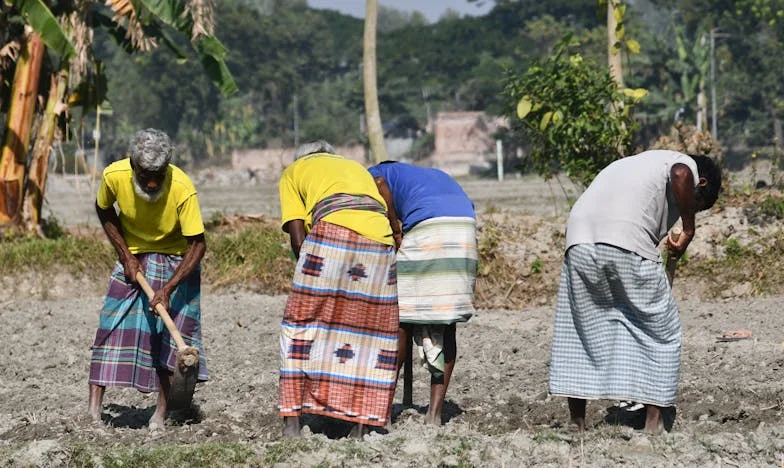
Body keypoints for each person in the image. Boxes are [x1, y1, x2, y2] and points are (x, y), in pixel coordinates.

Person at [548, 150, 722, 433]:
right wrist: (689, 230)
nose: (686, 210)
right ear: (700, 184)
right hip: (625, 240)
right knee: (661, 330)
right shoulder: (684, 166)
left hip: (578, 242)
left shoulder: (638, 163)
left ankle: (576, 423)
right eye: (696, 204)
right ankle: (653, 423)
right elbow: (681, 174)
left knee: (581, 330)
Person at [277, 141, 399, 438]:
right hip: (380, 239)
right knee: (369, 332)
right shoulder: (354, 166)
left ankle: (292, 420)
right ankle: (361, 424)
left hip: (331, 231)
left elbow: (297, 238)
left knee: (300, 325)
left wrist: (308, 276)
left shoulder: (293, 171)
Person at [88, 129, 208, 428]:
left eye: (158, 175)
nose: (152, 183)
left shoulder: (182, 186)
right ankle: (92, 412)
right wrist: (125, 255)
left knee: (171, 341)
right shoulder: (114, 175)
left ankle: (160, 415)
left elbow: (198, 244)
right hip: (134, 257)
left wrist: (169, 288)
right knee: (110, 325)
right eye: (145, 176)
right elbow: (103, 208)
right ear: (133, 165)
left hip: (177, 261)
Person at [368, 161, 477, 425]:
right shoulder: (426, 174)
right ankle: (434, 415)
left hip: (428, 226)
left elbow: (379, 186)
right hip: (464, 227)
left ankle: (382, 412)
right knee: (446, 321)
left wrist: (396, 232)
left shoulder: (373, 174)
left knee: (402, 320)